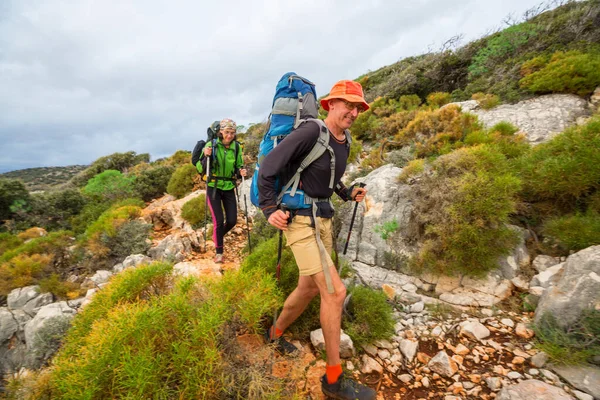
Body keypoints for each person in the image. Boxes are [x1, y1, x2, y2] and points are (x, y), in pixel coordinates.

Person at [258, 80, 375, 400]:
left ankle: (273, 333)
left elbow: (330, 176)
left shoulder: (345, 139)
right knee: (335, 292)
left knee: (310, 286)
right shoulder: (311, 131)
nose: (353, 112)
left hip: (323, 218)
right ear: (331, 104)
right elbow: (269, 167)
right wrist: (269, 208)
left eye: (358, 107)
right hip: (297, 220)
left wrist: (346, 192)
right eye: (348, 105)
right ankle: (333, 380)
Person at [198, 118, 247, 263]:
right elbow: (201, 168)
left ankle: (216, 236)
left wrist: (241, 172)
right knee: (218, 221)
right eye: (227, 132)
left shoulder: (237, 147)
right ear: (221, 132)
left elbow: (238, 167)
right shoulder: (211, 145)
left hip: (229, 187)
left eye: (232, 132)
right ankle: (219, 252)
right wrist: (206, 156)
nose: (229, 135)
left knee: (232, 220)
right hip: (213, 187)